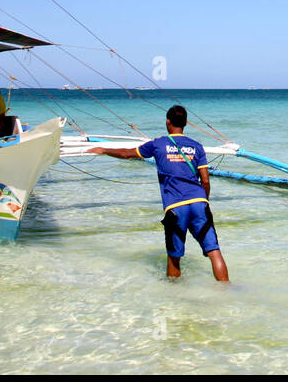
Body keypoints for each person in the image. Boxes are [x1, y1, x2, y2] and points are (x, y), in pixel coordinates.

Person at [88, 105, 229, 282]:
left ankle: (172, 299)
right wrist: (204, 203)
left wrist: (103, 149)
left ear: (167, 122)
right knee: (214, 252)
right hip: (200, 202)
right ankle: (227, 293)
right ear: (185, 123)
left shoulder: (158, 144)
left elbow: (127, 154)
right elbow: (206, 181)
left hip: (176, 207)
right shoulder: (197, 147)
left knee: (174, 256)